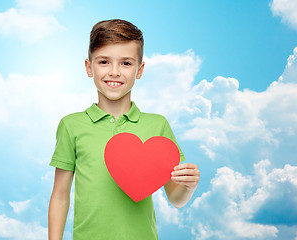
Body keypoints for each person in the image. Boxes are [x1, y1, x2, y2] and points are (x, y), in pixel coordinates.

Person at [48, 19, 200, 240]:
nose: (114, 72)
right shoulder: (71, 125)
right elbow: (60, 197)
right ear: (89, 67)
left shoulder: (158, 126)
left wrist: (188, 186)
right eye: (104, 62)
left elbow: (175, 199)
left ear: (140, 69)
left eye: (126, 63)